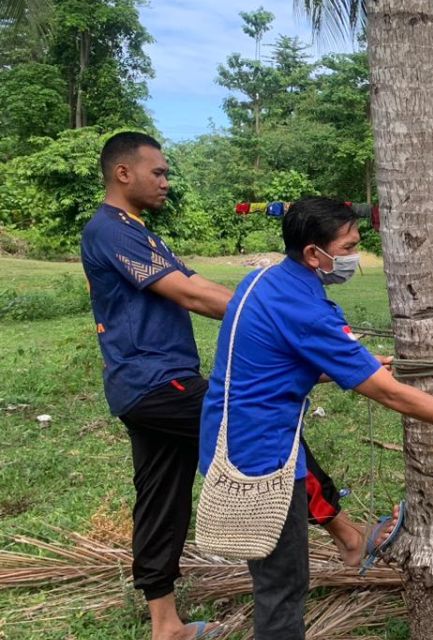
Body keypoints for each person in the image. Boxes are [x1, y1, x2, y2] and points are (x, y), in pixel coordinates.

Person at [81, 134, 402, 640]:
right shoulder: (111, 230)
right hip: (158, 381)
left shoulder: (137, 232)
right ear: (124, 174)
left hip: (137, 384)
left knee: (160, 497)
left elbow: (199, 282)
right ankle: (348, 536)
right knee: (269, 437)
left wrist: (275, 312)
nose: (166, 181)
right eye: (158, 172)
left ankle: (165, 624)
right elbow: (187, 292)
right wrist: (283, 317)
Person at [199, 198, 433, 640]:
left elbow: (274, 359)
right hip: (260, 456)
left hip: (230, 429)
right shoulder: (307, 309)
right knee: (282, 582)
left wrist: (354, 362)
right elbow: (390, 395)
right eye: (348, 247)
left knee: (276, 575)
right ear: (315, 254)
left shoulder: (264, 280)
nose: (353, 255)